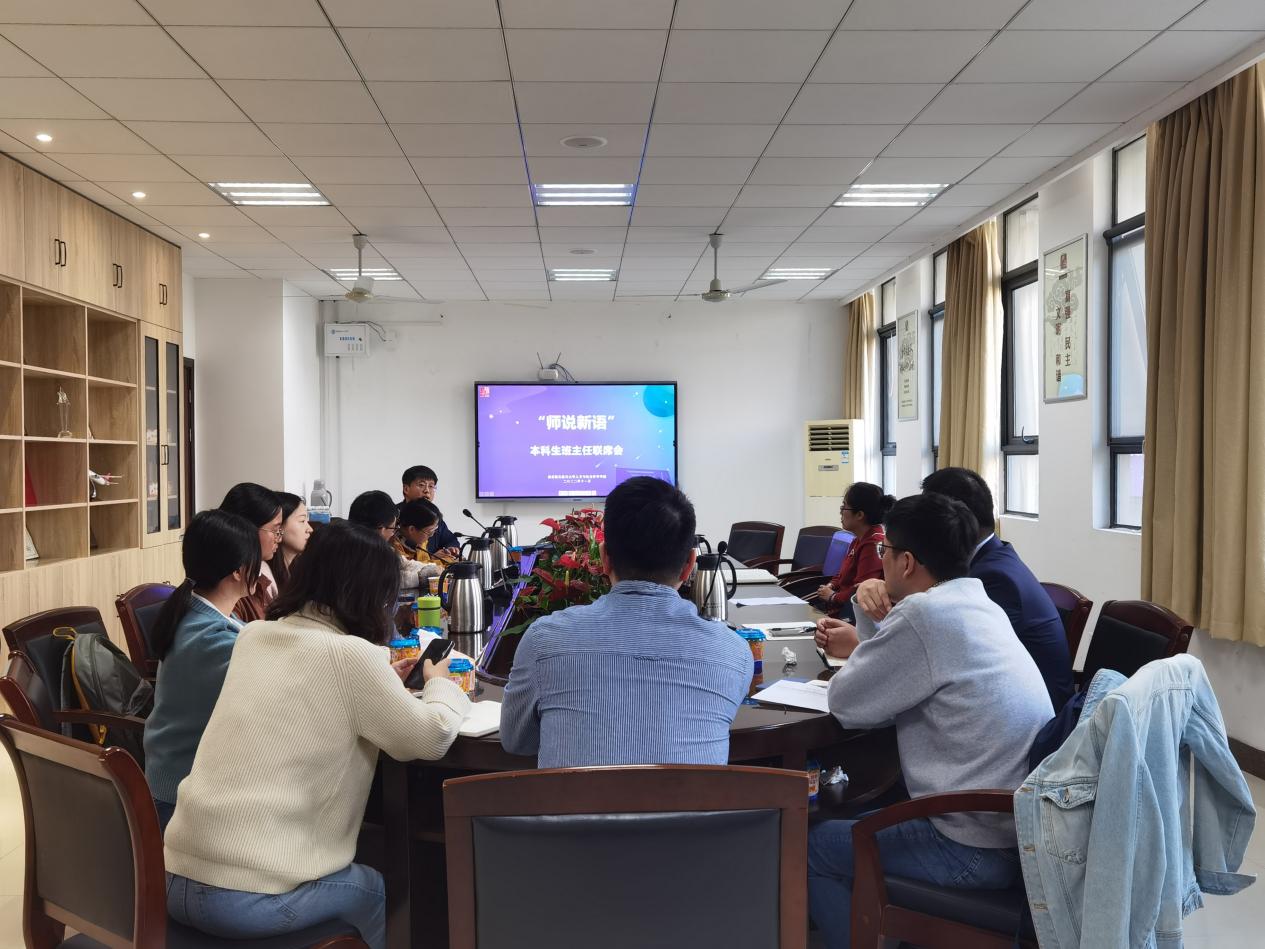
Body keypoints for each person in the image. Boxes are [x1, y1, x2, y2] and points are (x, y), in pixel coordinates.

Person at [163, 521, 470, 949]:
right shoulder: (351, 656)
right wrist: (441, 685)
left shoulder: (254, 635)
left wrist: (381, 682)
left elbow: (308, 691)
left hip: (172, 876)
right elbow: (431, 737)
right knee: (382, 889)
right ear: (370, 593)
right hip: (246, 898)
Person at [806, 494, 1054, 949]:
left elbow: (848, 702)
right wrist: (868, 619)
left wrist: (862, 628)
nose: (880, 559)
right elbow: (897, 679)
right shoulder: (977, 601)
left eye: (884, 551)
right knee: (854, 816)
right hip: (1014, 832)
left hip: (969, 846)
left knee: (810, 847)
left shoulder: (925, 614)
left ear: (906, 562)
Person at [500, 476, 753, 768]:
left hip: (575, 800)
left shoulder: (544, 641)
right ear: (689, 565)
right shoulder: (733, 653)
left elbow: (516, 741)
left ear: (604, 557)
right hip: (691, 801)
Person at [921, 466, 1075, 710]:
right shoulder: (991, 558)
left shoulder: (994, 578)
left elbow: (952, 653)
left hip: (1032, 717)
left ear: (956, 519)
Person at [143, 509, 259, 833]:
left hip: (188, 781)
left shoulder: (200, 613)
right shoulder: (209, 638)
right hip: (181, 799)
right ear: (238, 570)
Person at [813, 482, 892, 614]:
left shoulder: (873, 543)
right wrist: (831, 585)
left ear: (859, 515)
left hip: (851, 612)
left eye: (844, 507)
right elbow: (842, 574)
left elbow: (862, 589)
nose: (841, 512)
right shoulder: (858, 538)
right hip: (840, 605)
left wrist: (833, 596)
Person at [218, 482, 282, 623]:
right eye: (275, 530)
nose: (279, 538)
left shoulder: (256, 580)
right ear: (247, 529)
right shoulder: (233, 592)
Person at [348, 489, 433, 591]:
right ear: (381, 529)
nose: (393, 534)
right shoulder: (360, 553)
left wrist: (432, 568)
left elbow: (405, 564)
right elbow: (388, 580)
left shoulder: (374, 546)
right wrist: (423, 577)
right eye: (393, 528)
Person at [399, 465, 460, 560]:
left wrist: (449, 550)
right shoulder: (393, 516)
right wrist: (431, 558)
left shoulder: (433, 516)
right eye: (421, 485)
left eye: (431, 486)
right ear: (406, 489)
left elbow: (451, 540)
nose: (427, 490)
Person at [393, 498, 446, 579]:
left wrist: (436, 558)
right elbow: (412, 570)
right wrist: (443, 563)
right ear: (412, 529)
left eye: (434, 530)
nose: (431, 535)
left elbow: (423, 563)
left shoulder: (418, 539)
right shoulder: (392, 545)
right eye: (430, 532)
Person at [268, 491, 311, 591]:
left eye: (307, 521)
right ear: (278, 525)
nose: (310, 529)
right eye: (302, 521)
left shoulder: (302, 572)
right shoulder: (266, 576)